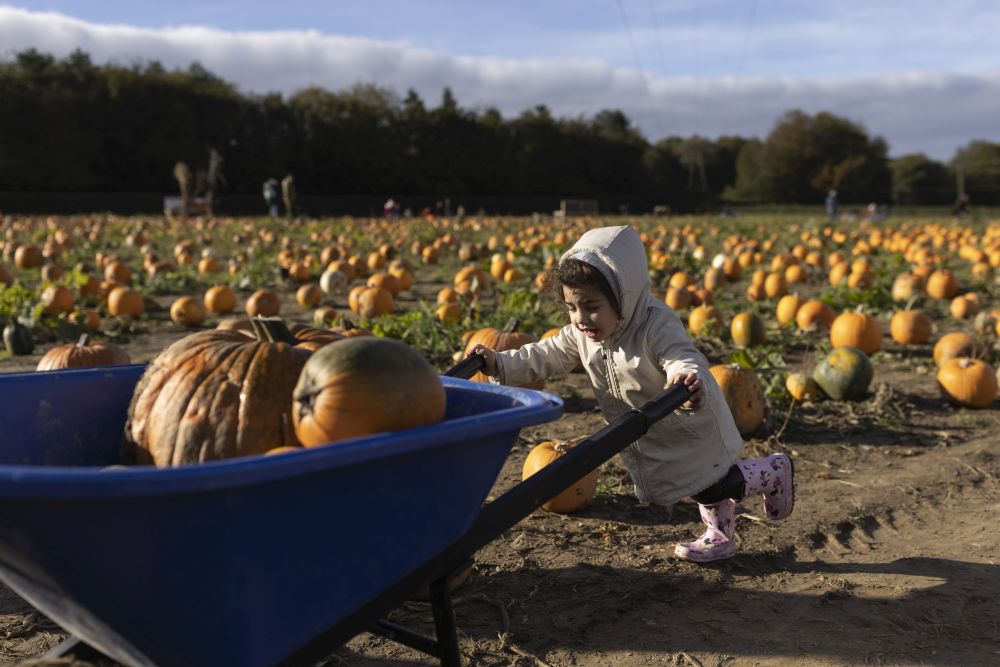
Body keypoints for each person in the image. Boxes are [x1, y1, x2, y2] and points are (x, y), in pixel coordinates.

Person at [468, 225, 794, 562]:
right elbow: (545, 354)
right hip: (654, 426)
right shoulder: (581, 334)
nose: (581, 318)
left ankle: (773, 472)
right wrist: (500, 363)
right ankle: (719, 535)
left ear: (622, 295)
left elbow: (681, 354)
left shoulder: (655, 324)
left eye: (591, 306)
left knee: (710, 483)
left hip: (686, 417)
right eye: (572, 307)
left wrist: (684, 375)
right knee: (699, 485)